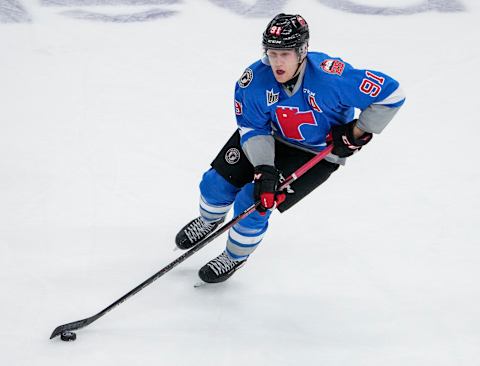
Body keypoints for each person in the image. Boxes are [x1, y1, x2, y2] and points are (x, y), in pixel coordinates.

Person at [175, 13, 405, 284]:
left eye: (285, 54)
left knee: (254, 202)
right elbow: (251, 126)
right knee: (215, 184)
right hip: (269, 136)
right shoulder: (254, 81)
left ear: (302, 51)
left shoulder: (333, 78)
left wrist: (357, 132)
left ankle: (234, 256)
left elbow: (392, 93)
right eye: (272, 53)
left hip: (315, 153)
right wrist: (263, 167)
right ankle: (209, 220)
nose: (277, 62)